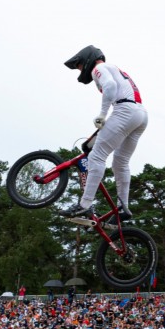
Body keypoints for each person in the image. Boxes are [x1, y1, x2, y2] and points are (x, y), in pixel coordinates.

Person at [58, 46, 149, 220]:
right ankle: (123, 208)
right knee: (120, 163)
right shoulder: (114, 68)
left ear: (87, 60)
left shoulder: (98, 68)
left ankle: (84, 204)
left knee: (96, 157)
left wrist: (102, 114)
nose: (80, 70)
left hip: (125, 110)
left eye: (79, 66)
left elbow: (110, 86)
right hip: (141, 114)